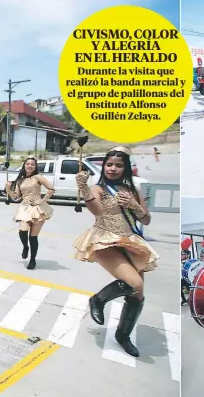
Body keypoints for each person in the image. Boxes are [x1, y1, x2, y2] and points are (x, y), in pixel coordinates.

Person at [74, 146, 158, 358]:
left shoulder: (133, 190)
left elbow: (146, 219)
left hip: (130, 241)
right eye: (109, 164)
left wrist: (134, 205)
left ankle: (123, 335)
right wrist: (84, 188)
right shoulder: (98, 188)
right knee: (134, 283)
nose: (112, 169)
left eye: (118, 165)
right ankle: (98, 300)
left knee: (138, 295)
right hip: (105, 240)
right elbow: (98, 212)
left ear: (126, 168)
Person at [5, 156, 54, 270]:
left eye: (32, 164)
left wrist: (42, 200)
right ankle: (25, 247)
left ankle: (32, 260)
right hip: (25, 208)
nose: (30, 166)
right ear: (24, 165)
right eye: (28, 164)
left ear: (35, 166)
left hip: (37, 208)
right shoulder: (20, 180)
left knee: (33, 237)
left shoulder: (38, 177)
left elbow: (51, 188)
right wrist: (8, 189)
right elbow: (16, 197)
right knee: (23, 230)